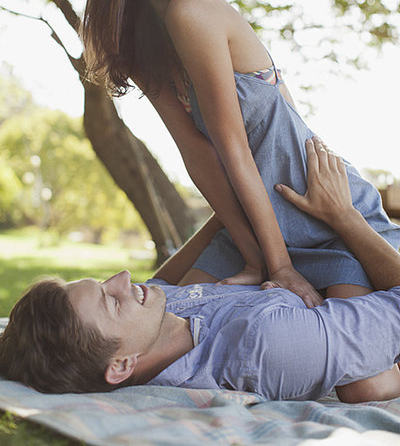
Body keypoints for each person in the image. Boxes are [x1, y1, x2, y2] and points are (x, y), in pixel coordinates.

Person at [81, 0, 400, 309]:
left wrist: (280, 267)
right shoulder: (139, 46)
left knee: (357, 362)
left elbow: (237, 146)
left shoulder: (193, 10)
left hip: (323, 212)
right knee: (164, 311)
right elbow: (199, 155)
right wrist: (258, 258)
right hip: (257, 223)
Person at [1, 137, 400, 403]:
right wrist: (345, 218)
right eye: (111, 301)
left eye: (105, 284)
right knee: (365, 386)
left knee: (255, 150)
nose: (123, 279)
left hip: (305, 251)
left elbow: (206, 238)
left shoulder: (156, 315)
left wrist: (233, 199)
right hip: (365, 245)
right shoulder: (263, 344)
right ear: (121, 365)